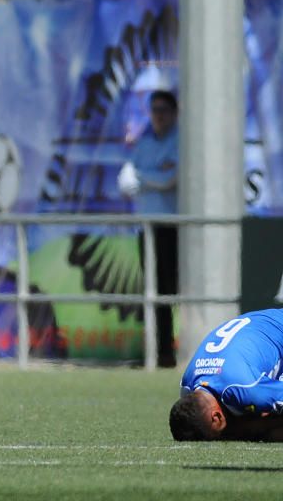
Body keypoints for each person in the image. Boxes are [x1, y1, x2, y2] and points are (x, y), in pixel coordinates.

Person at [119, 90, 179, 367]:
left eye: (164, 109)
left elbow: (170, 179)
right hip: (148, 228)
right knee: (153, 290)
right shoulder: (145, 142)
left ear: (174, 112)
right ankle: (157, 353)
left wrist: (143, 177)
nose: (158, 114)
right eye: (154, 109)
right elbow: (126, 180)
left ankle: (173, 351)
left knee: (170, 290)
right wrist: (153, 175)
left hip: (172, 226)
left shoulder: (179, 139)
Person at [170, 309, 283, 441]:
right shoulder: (187, 386)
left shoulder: (245, 387)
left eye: (219, 436)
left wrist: (253, 427)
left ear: (216, 417)